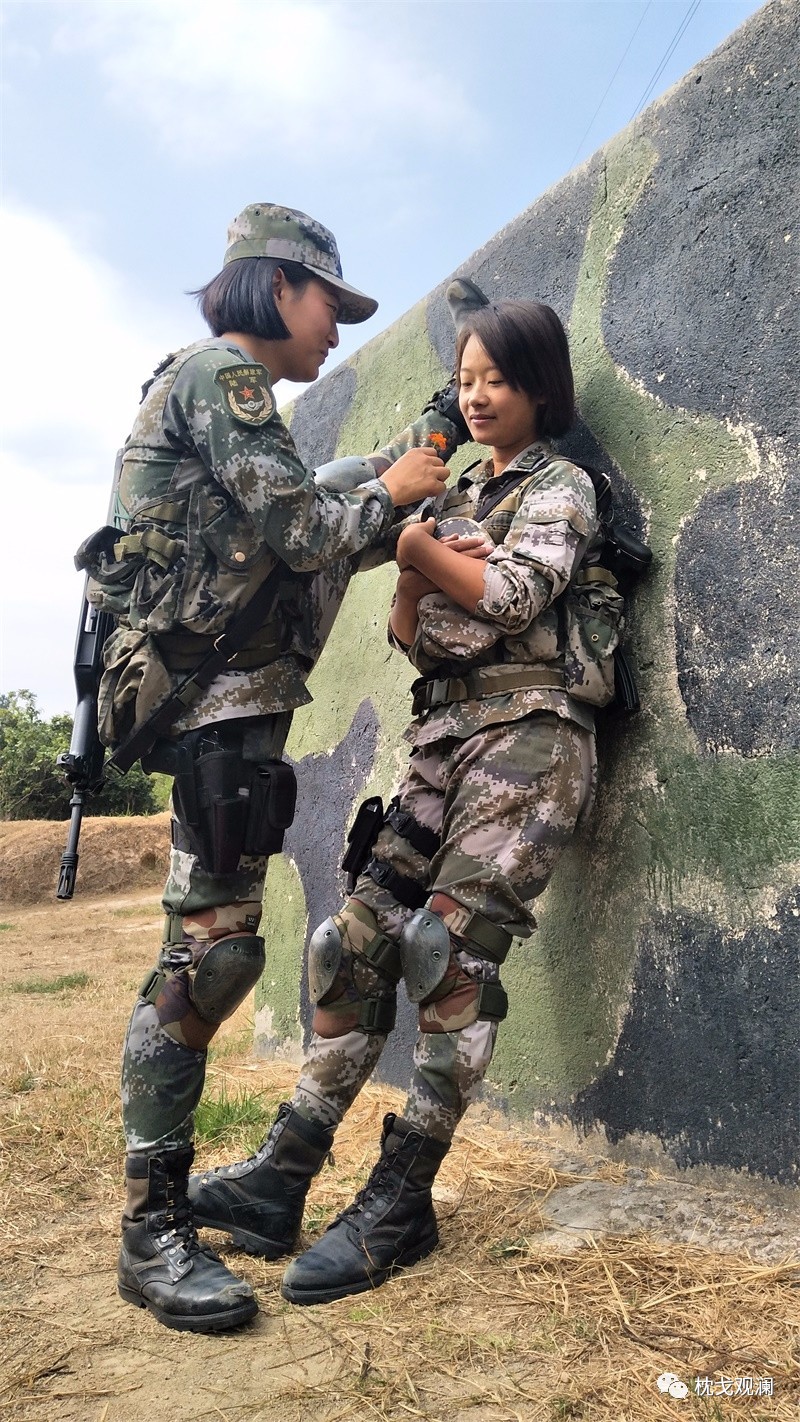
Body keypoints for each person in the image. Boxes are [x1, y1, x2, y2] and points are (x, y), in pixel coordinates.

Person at [189, 286, 624, 1306]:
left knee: (445, 956)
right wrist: (427, 564)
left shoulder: (559, 487)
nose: (474, 397)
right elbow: (410, 632)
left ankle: (400, 1195)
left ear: (537, 387)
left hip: (525, 741)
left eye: (496, 379)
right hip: (440, 739)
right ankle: (282, 1174)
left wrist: (419, 552)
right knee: (350, 947)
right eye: (465, 379)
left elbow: (512, 599)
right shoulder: (460, 497)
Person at [78, 202, 467, 1334]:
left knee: (213, 955)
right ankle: (150, 1234)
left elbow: (314, 496)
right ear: (273, 287)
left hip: (225, 707)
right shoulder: (227, 380)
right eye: (327, 304)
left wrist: (414, 448)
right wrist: (396, 497)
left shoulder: (224, 397)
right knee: (204, 962)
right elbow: (307, 534)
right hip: (213, 711)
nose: (336, 329)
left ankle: (185, 1212)